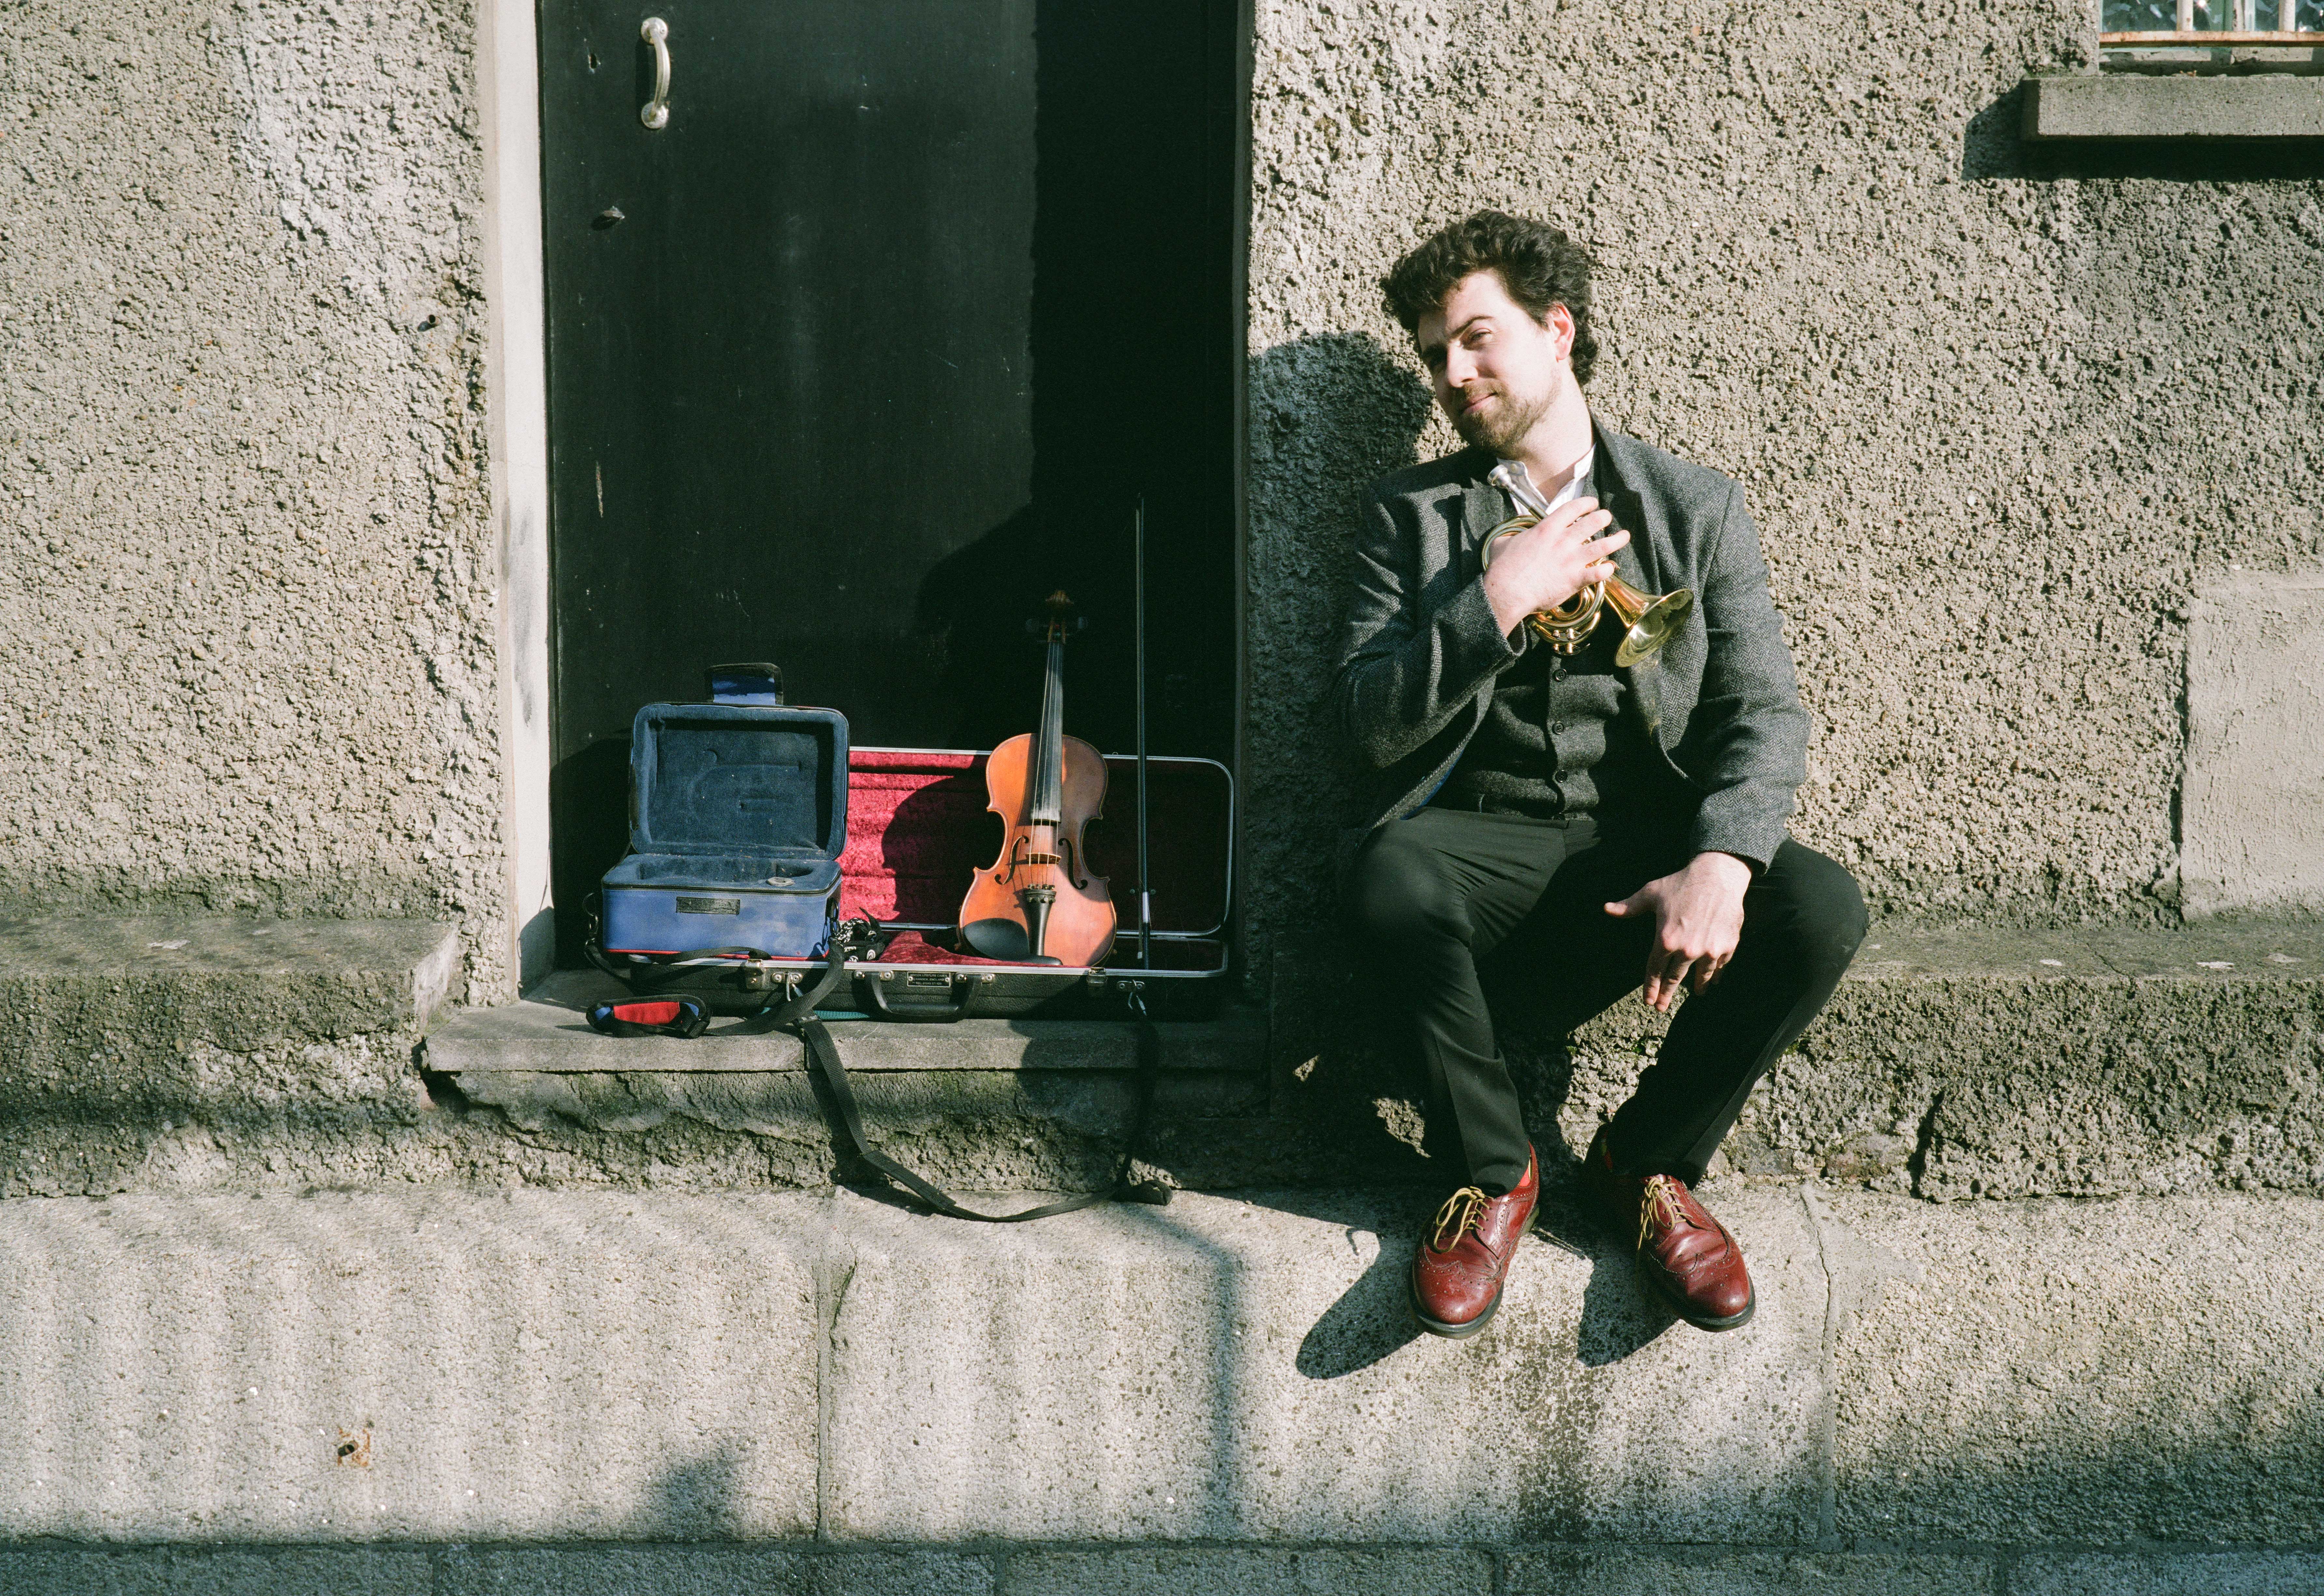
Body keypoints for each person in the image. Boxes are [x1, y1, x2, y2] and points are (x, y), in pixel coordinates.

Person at [1333, 211, 1867, 1339]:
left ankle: (1644, 1163)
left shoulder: (1692, 506)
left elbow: (1761, 712)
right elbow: (1364, 729)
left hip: (1641, 848)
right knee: (1381, 877)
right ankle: (1493, 1171)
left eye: (1477, 338)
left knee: (1820, 906)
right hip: (1481, 843)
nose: (1453, 373)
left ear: (1557, 331)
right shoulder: (1406, 518)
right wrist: (1494, 602)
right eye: (1433, 354)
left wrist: (1722, 862)